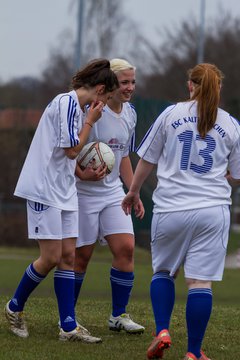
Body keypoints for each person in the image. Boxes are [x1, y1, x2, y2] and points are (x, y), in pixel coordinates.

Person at [122, 63, 240, 359]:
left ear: (190, 85)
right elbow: (237, 175)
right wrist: (222, 181)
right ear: (219, 88)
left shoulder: (171, 114)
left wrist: (133, 191)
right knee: (200, 282)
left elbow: (147, 159)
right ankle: (193, 352)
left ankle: (162, 331)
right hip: (213, 211)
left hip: (171, 208)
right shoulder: (231, 125)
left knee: (164, 271)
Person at [5, 59, 119, 343]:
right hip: (45, 190)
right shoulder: (67, 104)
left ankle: (68, 327)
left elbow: (68, 158)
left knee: (69, 257)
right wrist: (91, 122)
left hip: (65, 190)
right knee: (51, 257)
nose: (104, 105)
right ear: (100, 89)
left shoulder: (77, 109)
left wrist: (84, 174)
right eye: (105, 98)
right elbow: (71, 150)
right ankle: (13, 308)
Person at [74, 58, 145, 334]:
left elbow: (123, 154)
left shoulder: (131, 113)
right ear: (111, 84)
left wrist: (132, 191)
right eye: (125, 82)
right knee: (81, 257)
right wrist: (81, 172)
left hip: (113, 192)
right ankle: (67, 317)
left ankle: (118, 315)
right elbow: (72, 148)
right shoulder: (90, 111)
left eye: (133, 82)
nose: (130, 88)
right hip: (83, 194)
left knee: (126, 248)